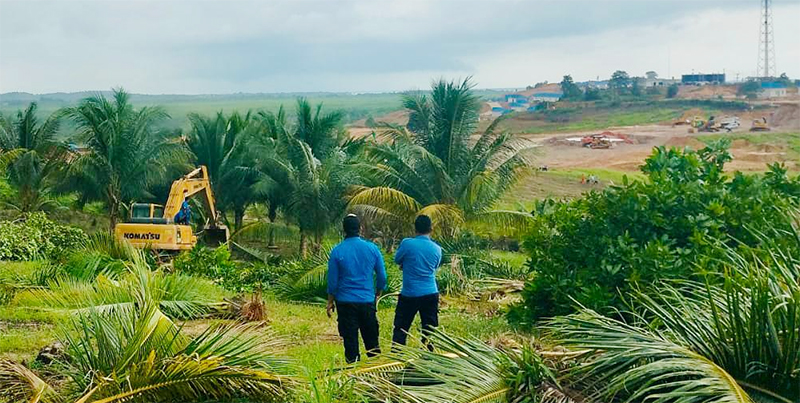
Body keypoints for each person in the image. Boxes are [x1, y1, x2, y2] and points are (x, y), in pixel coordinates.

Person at [326, 214, 387, 363]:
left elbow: (332, 281)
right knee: (372, 342)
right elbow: (382, 276)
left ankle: (352, 370)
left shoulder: (337, 251)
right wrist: (378, 291)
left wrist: (330, 301)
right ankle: (377, 369)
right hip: (367, 300)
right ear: (360, 228)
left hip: (345, 302)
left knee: (350, 342)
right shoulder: (372, 249)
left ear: (344, 230)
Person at [392, 214, 442, 350]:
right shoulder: (437, 249)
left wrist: (406, 264)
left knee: (401, 327)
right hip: (430, 292)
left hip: (410, 293)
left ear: (415, 229)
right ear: (431, 229)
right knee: (430, 329)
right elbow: (434, 267)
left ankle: (397, 354)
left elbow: (397, 259)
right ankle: (428, 354)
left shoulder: (407, 244)